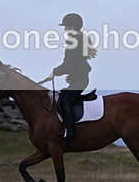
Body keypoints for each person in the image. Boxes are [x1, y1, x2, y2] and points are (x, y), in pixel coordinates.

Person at [39, 13, 96, 141]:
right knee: (63, 97)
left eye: (66, 26)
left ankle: (70, 133)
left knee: (66, 102)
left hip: (80, 80)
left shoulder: (74, 41)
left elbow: (70, 63)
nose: (65, 29)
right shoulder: (78, 39)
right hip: (79, 79)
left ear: (73, 26)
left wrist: (54, 72)